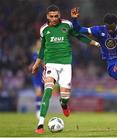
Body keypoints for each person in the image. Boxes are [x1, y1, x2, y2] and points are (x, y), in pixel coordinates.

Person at [32, 5, 100, 134]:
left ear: (59, 15)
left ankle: (63, 104)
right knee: (47, 90)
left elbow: (79, 36)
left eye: (56, 16)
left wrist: (95, 43)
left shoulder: (67, 25)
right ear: (47, 16)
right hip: (51, 63)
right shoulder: (44, 30)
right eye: (51, 16)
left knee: (65, 97)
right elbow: (42, 49)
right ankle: (40, 124)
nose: (53, 19)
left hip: (66, 65)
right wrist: (36, 64)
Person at [30, 39, 44, 119]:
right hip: (37, 76)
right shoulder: (35, 53)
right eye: (38, 43)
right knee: (38, 92)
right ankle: (38, 111)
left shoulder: (46, 51)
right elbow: (37, 62)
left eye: (41, 43)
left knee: (42, 94)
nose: (40, 45)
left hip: (44, 76)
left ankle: (40, 109)